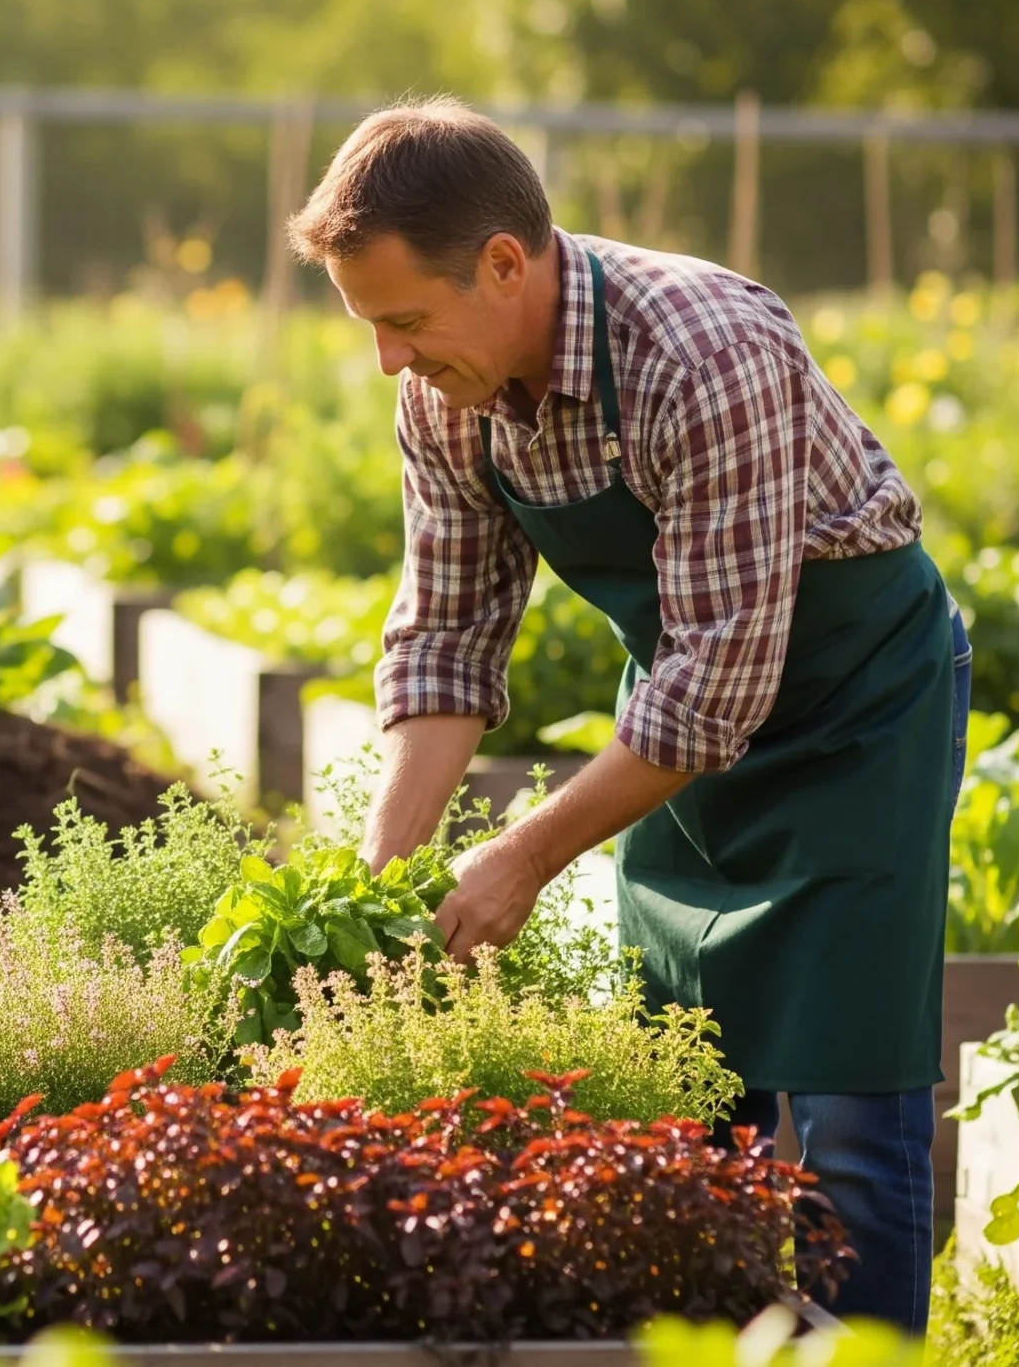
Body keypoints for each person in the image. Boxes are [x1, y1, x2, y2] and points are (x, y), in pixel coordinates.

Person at [286, 98, 971, 1333]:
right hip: (677, 725)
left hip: (853, 712)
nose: (387, 358)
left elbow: (723, 672)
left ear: (503, 263)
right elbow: (446, 635)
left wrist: (524, 854)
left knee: (843, 1115)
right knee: (686, 1095)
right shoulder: (448, 391)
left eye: (402, 320)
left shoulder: (700, 349)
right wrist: (375, 878)